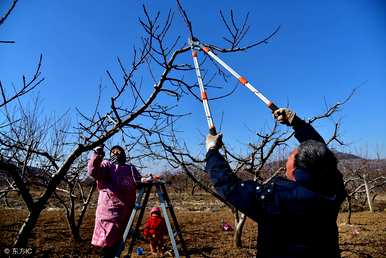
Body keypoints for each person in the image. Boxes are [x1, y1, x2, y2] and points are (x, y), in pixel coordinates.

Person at [205, 108, 347, 258]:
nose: (287, 160)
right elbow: (322, 155)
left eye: (290, 157)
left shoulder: (277, 197)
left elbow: (229, 186)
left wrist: (212, 151)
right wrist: (298, 124)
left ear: (297, 168)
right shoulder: (332, 188)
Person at [88, 145, 142, 258]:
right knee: (107, 245)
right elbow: (93, 171)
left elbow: (138, 181)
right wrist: (98, 154)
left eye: (118, 151)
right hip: (109, 213)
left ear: (123, 154)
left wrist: (146, 179)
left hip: (125, 213)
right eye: (113, 152)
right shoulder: (107, 165)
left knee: (119, 244)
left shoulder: (130, 168)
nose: (116, 153)